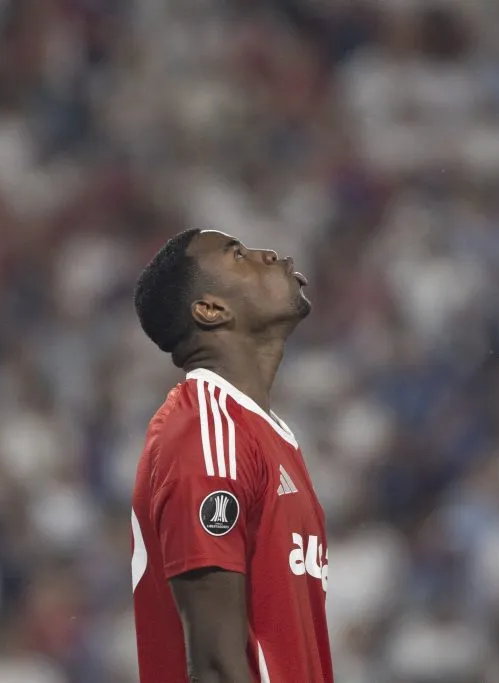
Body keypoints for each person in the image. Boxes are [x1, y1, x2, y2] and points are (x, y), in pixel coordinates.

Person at [130, 229, 333, 683]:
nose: (270, 253)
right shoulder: (206, 432)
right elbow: (216, 665)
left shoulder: (266, 433)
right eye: (238, 255)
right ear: (210, 309)